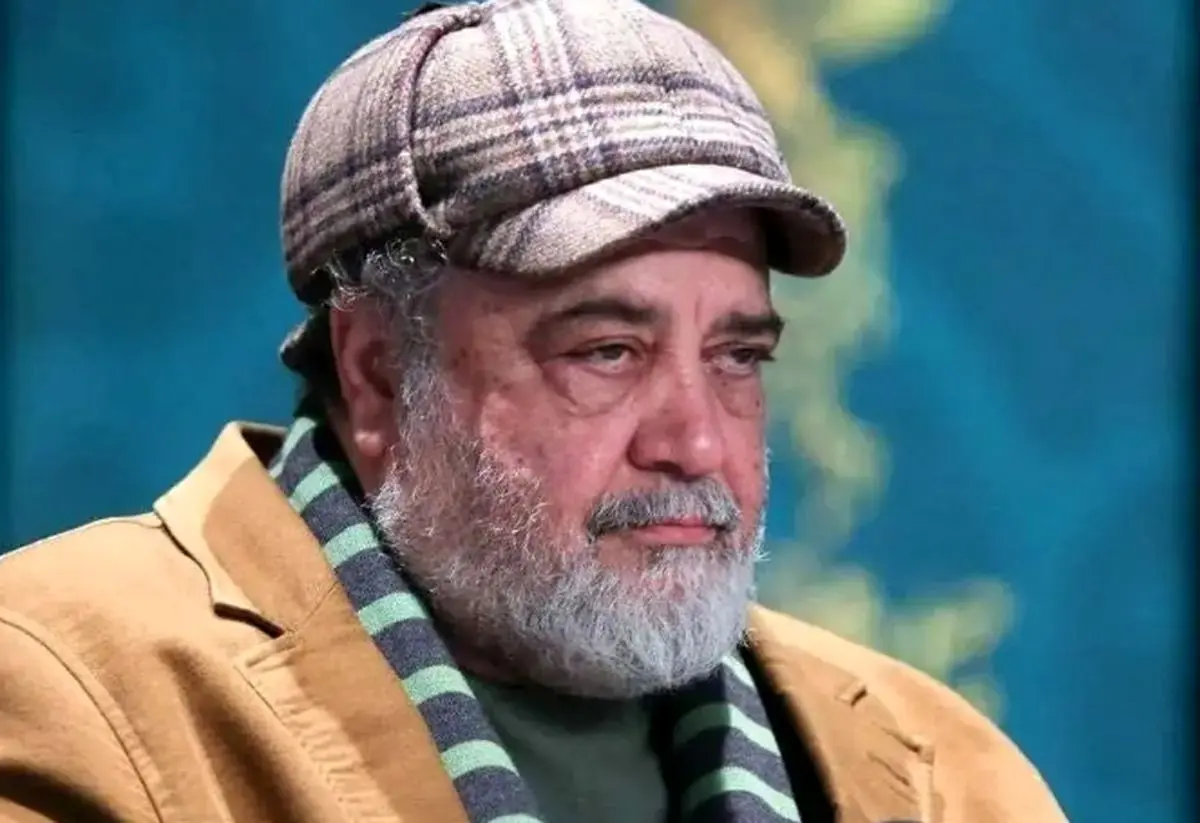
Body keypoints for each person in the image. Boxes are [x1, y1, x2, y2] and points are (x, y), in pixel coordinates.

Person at [0, 1, 1068, 821]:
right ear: (378, 371)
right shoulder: (61, 689)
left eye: (737, 357)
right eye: (607, 352)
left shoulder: (935, 768)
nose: (697, 442)